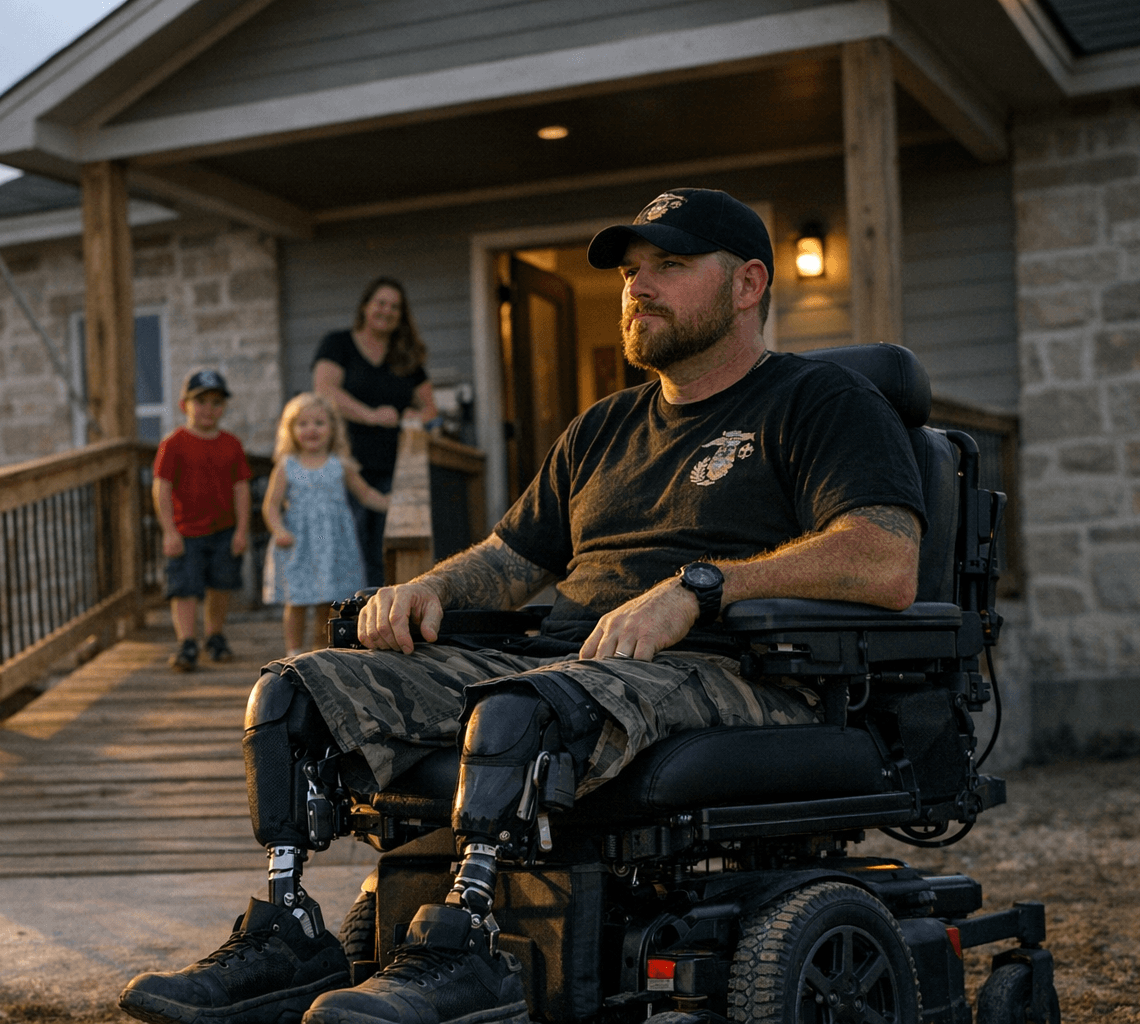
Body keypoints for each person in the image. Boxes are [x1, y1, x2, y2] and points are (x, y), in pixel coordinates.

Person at [119, 188, 925, 1024]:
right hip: (572, 668)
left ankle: (468, 952)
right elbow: (511, 559)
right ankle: (290, 934)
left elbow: (886, 556)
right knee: (296, 692)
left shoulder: (819, 401)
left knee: (518, 711)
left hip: (738, 671)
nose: (638, 288)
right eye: (630, 271)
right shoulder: (602, 429)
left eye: (670, 267)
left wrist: (699, 589)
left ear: (750, 284)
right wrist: (428, 588)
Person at [312, 277, 440, 587]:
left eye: (395, 307)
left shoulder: (406, 357)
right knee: (348, 544)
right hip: (344, 463)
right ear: (366, 306)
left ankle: (380, 617)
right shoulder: (338, 343)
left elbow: (431, 409)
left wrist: (415, 415)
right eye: (381, 303)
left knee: (383, 549)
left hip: (393, 469)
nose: (387, 311)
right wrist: (370, 415)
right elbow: (325, 391)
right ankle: (347, 620)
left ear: (401, 316)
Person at [263, 393, 392, 658]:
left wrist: (393, 503)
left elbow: (366, 494)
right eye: (303, 424)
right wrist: (279, 530)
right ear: (291, 430)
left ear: (332, 428)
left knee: (328, 602)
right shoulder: (286, 466)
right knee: (296, 601)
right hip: (299, 545)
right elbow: (271, 505)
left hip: (334, 545)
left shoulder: (340, 465)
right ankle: (294, 652)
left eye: (319, 423)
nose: (311, 429)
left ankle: (320, 653)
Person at [153, 369, 252, 672]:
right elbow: (162, 487)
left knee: (220, 585)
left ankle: (214, 635)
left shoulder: (231, 444)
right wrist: (169, 531)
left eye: (216, 402)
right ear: (185, 405)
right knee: (184, 588)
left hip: (223, 528)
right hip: (185, 531)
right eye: (201, 402)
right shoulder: (174, 444)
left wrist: (242, 530)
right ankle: (186, 642)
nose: (209, 409)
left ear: (223, 407)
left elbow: (242, 487)